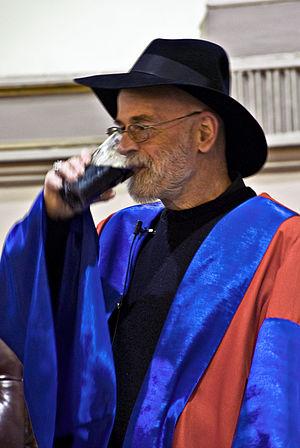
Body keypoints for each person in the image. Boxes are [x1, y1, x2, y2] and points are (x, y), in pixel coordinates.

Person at [0, 39, 299, 448]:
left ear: (204, 133)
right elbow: (34, 319)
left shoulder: (280, 243)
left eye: (141, 126)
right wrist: (54, 218)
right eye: (119, 129)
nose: (124, 145)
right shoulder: (118, 234)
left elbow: (275, 406)